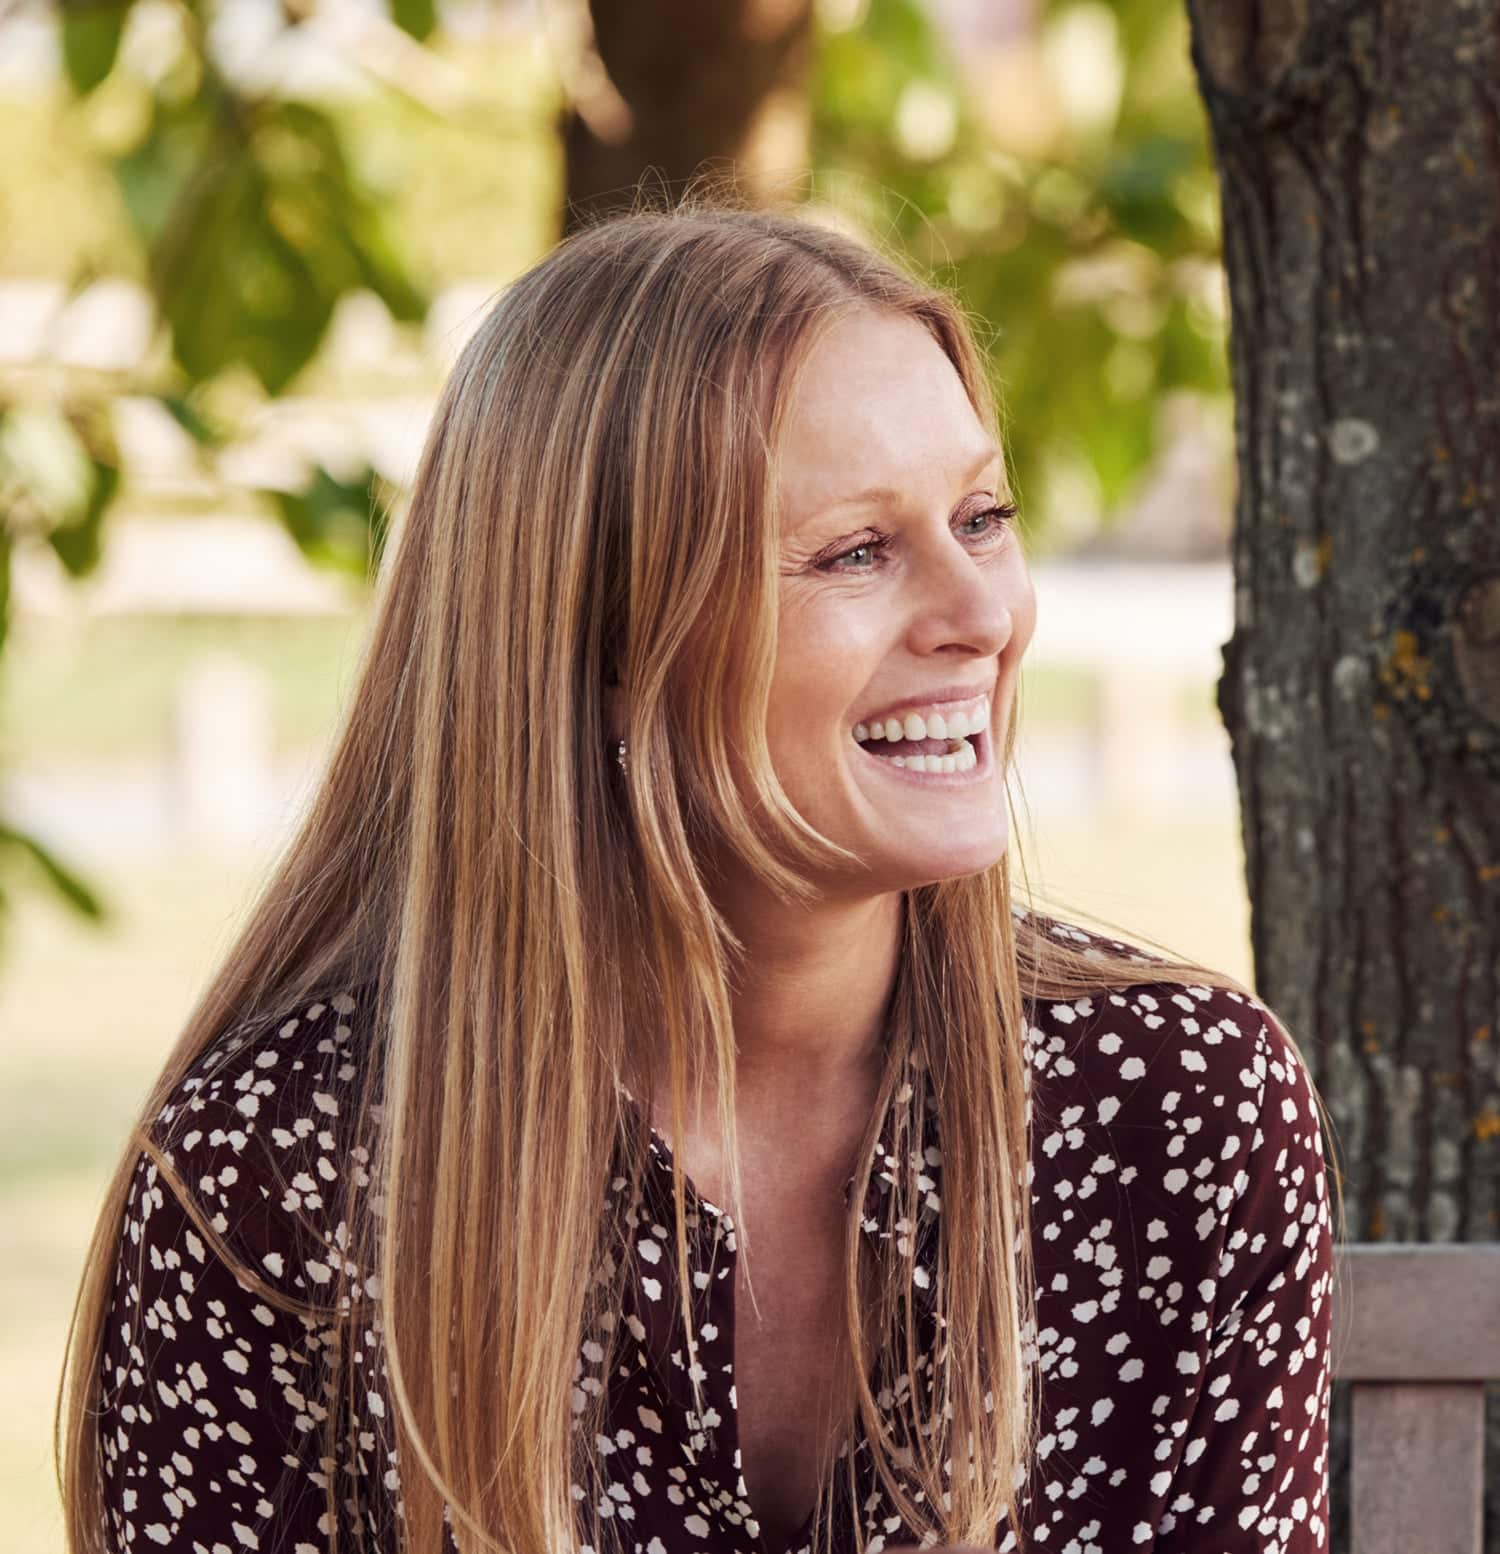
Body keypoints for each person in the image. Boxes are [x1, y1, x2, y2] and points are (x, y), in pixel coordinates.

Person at [56, 198, 1341, 1554]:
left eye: (983, 517)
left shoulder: (1178, 1108)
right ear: (605, 645)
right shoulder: (283, 1172)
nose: (983, 616)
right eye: (858, 550)